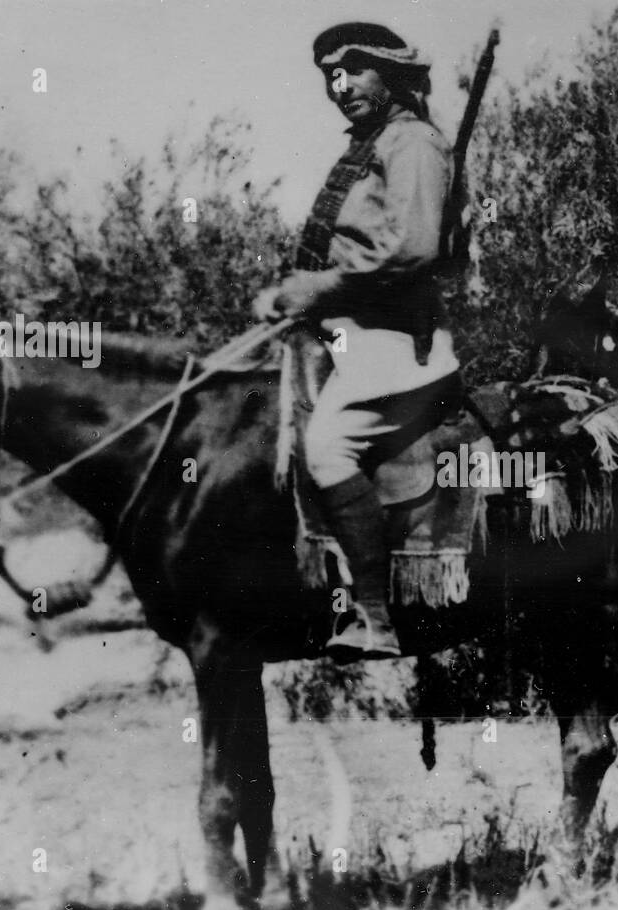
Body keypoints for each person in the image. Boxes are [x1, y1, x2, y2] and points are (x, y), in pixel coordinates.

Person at [253, 22, 461, 659]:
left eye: (353, 71)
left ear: (393, 73)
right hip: (350, 340)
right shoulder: (373, 144)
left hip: (395, 345)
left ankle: (375, 619)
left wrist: (315, 289)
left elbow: (414, 248)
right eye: (329, 77)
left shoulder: (413, 143)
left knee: (328, 447)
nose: (339, 87)